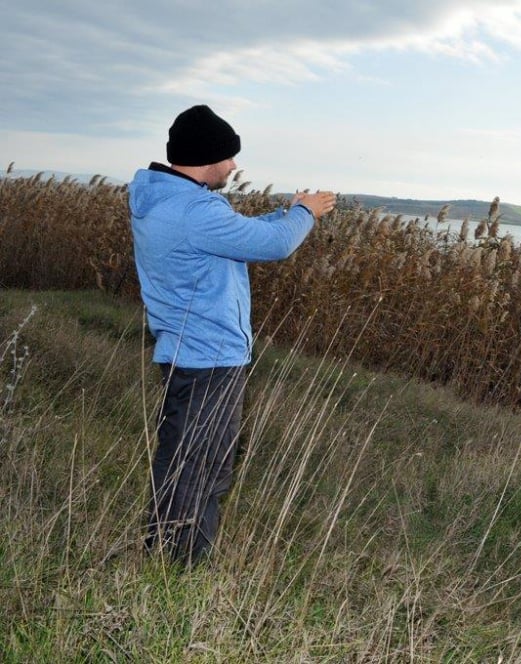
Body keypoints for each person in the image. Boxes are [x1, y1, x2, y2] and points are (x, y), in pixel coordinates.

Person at [128, 104, 336, 566]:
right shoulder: (193, 210)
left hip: (189, 352)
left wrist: (285, 211)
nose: (235, 166)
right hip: (210, 359)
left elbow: (239, 233)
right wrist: (304, 213)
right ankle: (179, 567)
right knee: (200, 467)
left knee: (188, 458)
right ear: (207, 157)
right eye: (229, 156)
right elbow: (276, 245)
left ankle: (168, 550)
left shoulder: (167, 199)